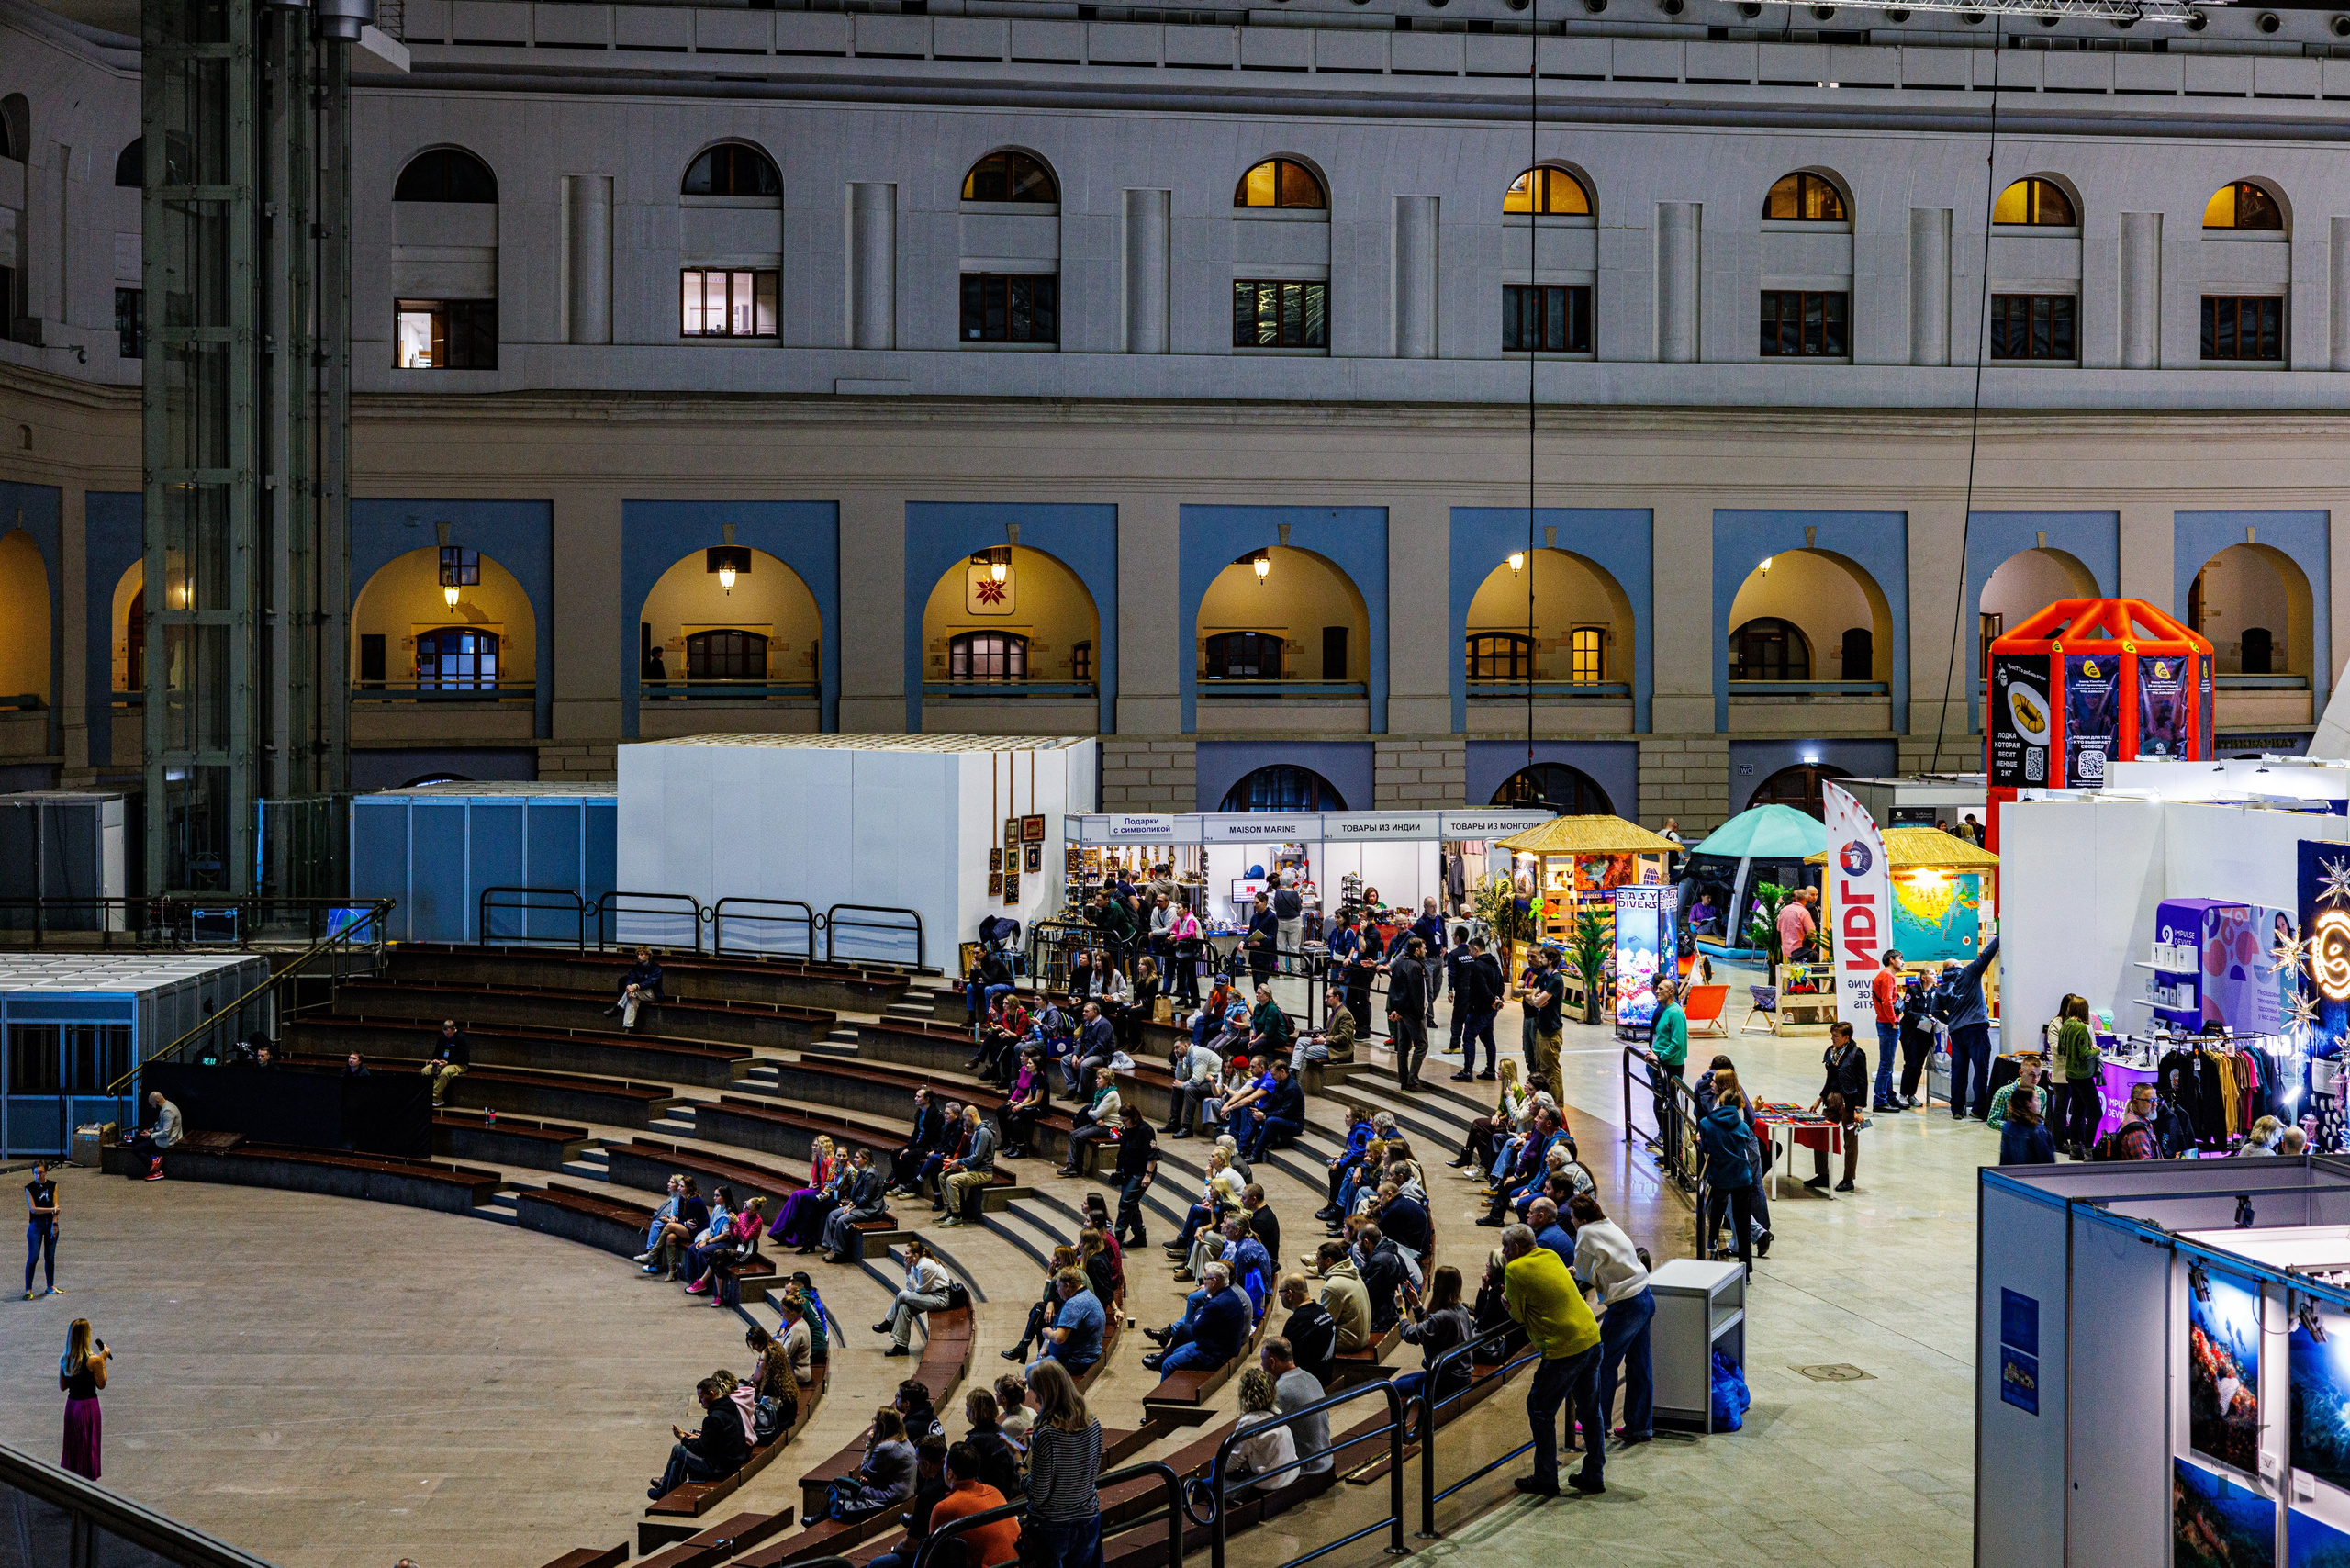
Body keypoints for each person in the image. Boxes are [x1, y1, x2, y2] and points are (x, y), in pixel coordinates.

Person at [1502, 1223, 1605, 1497]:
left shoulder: (1514, 1269)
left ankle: (1546, 1477)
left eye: (1505, 1247)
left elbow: (1517, 1315)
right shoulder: (1551, 1255)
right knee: (1590, 1411)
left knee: (1540, 1409)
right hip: (1590, 1337)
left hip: (1563, 1348)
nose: (1503, 1253)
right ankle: (1594, 1474)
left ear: (1517, 1248)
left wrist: (1506, 1300)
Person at [1569, 1193, 1654, 1447]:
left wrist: (1574, 1272)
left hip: (1625, 1305)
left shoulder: (1585, 1233)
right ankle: (1640, 1426)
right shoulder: (1607, 1223)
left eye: (1573, 1218)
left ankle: (1597, 1421)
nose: (1571, 1222)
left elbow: (1584, 1274)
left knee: (1602, 1363)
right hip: (1644, 1295)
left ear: (1582, 1220)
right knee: (1639, 1366)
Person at [1023, 1361, 1104, 1568]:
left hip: (1052, 1527)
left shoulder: (1047, 1434)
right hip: (1088, 1519)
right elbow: (1091, 1473)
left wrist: (1021, 1469)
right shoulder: (1093, 1423)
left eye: (1036, 1392)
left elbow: (1039, 1495)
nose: (1035, 1398)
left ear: (1046, 1392)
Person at [922, 1442, 1021, 1568]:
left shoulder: (944, 1507)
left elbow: (931, 1558)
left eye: (945, 1464)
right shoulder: (994, 1491)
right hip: (1019, 1563)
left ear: (950, 1473)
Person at [650, 1375, 751, 1499]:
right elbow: (718, 1439)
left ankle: (663, 1489)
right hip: (732, 1461)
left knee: (678, 1449)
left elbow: (701, 1450)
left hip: (720, 1467)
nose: (699, 1402)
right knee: (678, 1462)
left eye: (701, 1397)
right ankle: (667, 1493)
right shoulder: (730, 1406)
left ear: (711, 1394)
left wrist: (683, 1438)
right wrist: (699, 1437)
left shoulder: (714, 1418)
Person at [1141, 1260, 1251, 1372]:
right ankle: (1166, 1350)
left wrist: (1201, 1316)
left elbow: (1196, 1330)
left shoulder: (1218, 1301)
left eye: (1206, 1279)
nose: (1203, 1281)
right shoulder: (1229, 1293)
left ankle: (1163, 1361)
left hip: (1218, 1352)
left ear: (1214, 1281)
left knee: (1169, 1362)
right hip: (1225, 1343)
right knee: (1178, 1346)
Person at [1393, 1264, 1475, 1415]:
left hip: (1446, 1381)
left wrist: (1401, 1309)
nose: (1432, 1285)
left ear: (1439, 1288)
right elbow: (1432, 1326)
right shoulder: (1460, 1310)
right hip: (1461, 1375)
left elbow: (1410, 1334)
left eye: (1435, 1283)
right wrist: (1416, 1305)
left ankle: (1400, 1423)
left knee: (1394, 1388)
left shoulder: (1442, 1317)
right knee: (1400, 1381)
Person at [1942, 935, 2003, 1122]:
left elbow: (1935, 1010)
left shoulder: (1942, 988)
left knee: (1959, 1071)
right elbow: (1986, 955)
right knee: (1980, 1069)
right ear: (1956, 966)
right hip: (1976, 1029)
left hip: (1956, 1033)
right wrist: (2001, 936)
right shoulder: (1969, 972)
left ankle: (1957, 1109)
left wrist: (1952, 1020)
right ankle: (1978, 1107)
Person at [1697, 1086, 1759, 1274]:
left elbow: (1705, 1148)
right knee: (1742, 1224)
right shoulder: (1743, 1127)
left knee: (1716, 1210)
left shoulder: (1706, 1123)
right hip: (1742, 1178)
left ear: (1720, 1102)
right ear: (1739, 1106)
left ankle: (1712, 1241)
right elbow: (1744, 1144)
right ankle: (1746, 1269)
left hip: (1719, 1176)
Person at [1807, 1021, 1866, 1193]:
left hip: (1849, 1104)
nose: (1832, 1039)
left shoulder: (1857, 1054)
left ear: (1846, 1038)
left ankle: (1848, 1179)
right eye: (1832, 1035)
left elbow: (1862, 1083)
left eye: (1836, 1036)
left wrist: (1858, 1109)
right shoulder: (1830, 1053)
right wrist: (1820, 1098)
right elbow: (1829, 1079)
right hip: (1831, 1100)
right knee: (1820, 1133)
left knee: (1850, 1142)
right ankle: (1822, 1174)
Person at [832, 1408, 917, 1518]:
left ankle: (822, 1518)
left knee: (838, 1483)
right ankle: (820, 1517)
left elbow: (864, 1472)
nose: (873, 1422)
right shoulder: (905, 1442)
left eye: (875, 1419)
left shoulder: (886, 1447)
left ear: (882, 1425)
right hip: (904, 1493)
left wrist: (870, 1445)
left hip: (888, 1497)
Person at [1226, 1368, 1300, 1495]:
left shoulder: (1250, 1422)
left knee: (1206, 1481)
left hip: (1269, 1483)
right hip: (1290, 1474)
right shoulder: (1277, 1413)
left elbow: (1231, 1462)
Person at [878, 1238, 955, 1356]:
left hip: (941, 1298)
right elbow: (912, 1290)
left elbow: (920, 1290)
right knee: (904, 1308)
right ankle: (901, 1346)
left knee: (902, 1295)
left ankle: (889, 1322)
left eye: (907, 1253)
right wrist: (907, 1271)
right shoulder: (915, 1265)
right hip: (930, 1295)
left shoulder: (925, 1265)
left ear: (916, 1255)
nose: (904, 1255)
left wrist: (912, 1288)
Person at [2049, 994, 2101, 1159]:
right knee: (2095, 1112)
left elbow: (2061, 1049)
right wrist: (2097, 1051)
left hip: (2070, 1074)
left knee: (2077, 1111)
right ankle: (2088, 1149)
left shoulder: (2066, 1026)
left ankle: (2074, 1149)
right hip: (2082, 1075)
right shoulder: (2082, 1028)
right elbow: (2085, 1053)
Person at [59, 1317, 107, 1481]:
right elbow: (101, 1383)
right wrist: (103, 1359)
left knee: (72, 1445)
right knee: (88, 1443)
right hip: (88, 1406)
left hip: (72, 1406)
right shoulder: (94, 1360)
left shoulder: (65, 1359)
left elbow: (62, 1386)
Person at [822, 1148, 890, 1263]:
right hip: (859, 1205)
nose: (854, 1159)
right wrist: (851, 1205)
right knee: (832, 1215)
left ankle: (838, 1252)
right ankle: (830, 1246)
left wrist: (853, 1207)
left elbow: (866, 1199)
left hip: (871, 1209)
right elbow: (856, 1194)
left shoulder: (870, 1174)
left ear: (866, 1159)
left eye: (858, 1157)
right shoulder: (861, 1171)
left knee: (841, 1220)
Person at [1038, 1268, 1106, 1379]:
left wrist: (1047, 1332)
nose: (1057, 1291)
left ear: (1067, 1286)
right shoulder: (1088, 1295)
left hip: (1075, 1362)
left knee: (1031, 1371)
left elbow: (1059, 1338)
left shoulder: (1073, 1304)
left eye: (1058, 1287)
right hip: (1089, 1355)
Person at [1106, 1105, 1158, 1249]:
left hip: (1141, 1172)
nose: (1123, 1123)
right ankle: (1139, 1236)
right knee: (1131, 1203)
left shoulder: (1145, 1130)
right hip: (1128, 1171)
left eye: (1125, 1120)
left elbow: (1152, 1155)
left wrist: (1147, 1176)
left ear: (1134, 1117)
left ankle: (1117, 1239)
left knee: (1125, 1203)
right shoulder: (1127, 1128)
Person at [940, 1107, 1000, 1226]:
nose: (965, 1123)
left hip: (982, 1173)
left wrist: (959, 1162)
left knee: (952, 1180)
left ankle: (956, 1217)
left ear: (971, 1116)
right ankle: (950, 1210)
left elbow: (977, 1157)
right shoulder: (978, 1131)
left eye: (965, 1119)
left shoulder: (983, 1132)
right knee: (943, 1176)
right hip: (973, 1169)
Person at [964, 1386, 1025, 1499]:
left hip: (992, 1495)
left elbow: (968, 1475)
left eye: (968, 1407)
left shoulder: (975, 1441)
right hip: (1008, 1489)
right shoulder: (1000, 1429)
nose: (966, 1412)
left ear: (975, 1412)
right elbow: (1021, 1448)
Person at [1520, 947, 1566, 1100]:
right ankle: (1542, 1099)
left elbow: (1537, 1000)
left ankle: (1556, 1103)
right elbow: (1533, 996)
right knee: (1540, 1067)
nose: (1540, 960)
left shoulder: (1556, 980)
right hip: (1541, 1029)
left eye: (1543, 957)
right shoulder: (1545, 977)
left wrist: (1536, 1000)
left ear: (1551, 960)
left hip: (1551, 1031)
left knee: (1551, 1070)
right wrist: (1536, 1000)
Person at [1387, 936, 1432, 1091]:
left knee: (1403, 1046)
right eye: (1424, 948)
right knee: (1422, 1045)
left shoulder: (1400, 964)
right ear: (1417, 950)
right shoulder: (1415, 966)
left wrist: (1396, 1009)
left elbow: (1394, 989)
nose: (1426, 951)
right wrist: (1419, 1013)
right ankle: (1412, 1080)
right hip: (1413, 1012)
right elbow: (1416, 992)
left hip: (1402, 1011)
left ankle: (1404, 1078)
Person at [1649, 978, 1689, 1148]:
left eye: (1661, 989)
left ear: (1671, 992)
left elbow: (1677, 1043)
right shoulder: (1666, 1010)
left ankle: (1674, 1142)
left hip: (1671, 1066)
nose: (1657, 991)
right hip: (1662, 1064)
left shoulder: (1675, 1013)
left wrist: (1660, 1057)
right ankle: (1668, 1139)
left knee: (1667, 1103)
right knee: (1662, 1102)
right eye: (1657, 988)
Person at [1314, 1240, 1373, 1353]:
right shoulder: (1352, 1273)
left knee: (1304, 1338)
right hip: (1362, 1336)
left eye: (1318, 1259)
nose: (1316, 1262)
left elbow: (1324, 1323)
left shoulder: (1333, 1286)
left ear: (1328, 1261)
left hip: (1349, 1342)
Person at [1242, 1058, 1305, 1160]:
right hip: (1283, 1118)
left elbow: (1285, 1112)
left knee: (1270, 1121)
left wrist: (1264, 1116)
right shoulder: (1278, 1083)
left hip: (1295, 1124)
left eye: (1274, 1074)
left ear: (1282, 1072)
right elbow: (1271, 1102)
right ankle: (1243, 1149)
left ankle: (1256, 1155)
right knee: (1253, 1112)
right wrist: (1260, 1110)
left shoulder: (1292, 1088)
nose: (1272, 1077)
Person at [890, 1088, 949, 1193]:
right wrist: (909, 1147)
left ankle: (911, 1188)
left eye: (918, 1096)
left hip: (928, 1147)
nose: (915, 1098)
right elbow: (915, 1133)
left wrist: (911, 1148)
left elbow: (930, 1137)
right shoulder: (920, 1113)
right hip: (918, 1144)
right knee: (894, 1153)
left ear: (927, 1099)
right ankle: (901, 1184)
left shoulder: (936, 1115)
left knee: (906, 1156)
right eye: (916, 1096)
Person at [1870, 949, 1907, 1114]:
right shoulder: (1887, 976)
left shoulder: (1885, 975)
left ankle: (1889, 1096)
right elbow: (1887, 1002)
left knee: (1888, 1063)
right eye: (1900, 958)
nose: (1903, 962)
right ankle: (1880, 1100)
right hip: (1888, 1024)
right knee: (1886, 1063)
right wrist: (1894, 1021)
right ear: (1892, 960)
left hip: (1885, 1022)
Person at [123, 1090, 183, 1181]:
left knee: (136, 1149)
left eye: (152, 1104)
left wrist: (151, 1136)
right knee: (140, 1140)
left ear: (157, 1101)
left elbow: (166, 1132)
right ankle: (135, 1142)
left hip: (168, 1140)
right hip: (165, 1137)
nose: (152, 1106)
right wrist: (150, 1131)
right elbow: (160, 1126)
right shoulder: (166, 1106)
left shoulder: (168, 1111)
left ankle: (156, 1171)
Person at [25, 1160, 59, 1300]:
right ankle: (28, 1289)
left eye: (41, 1173)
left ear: (46, 1172)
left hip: (50, 1224)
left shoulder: (53, 1185)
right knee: (33, 1257)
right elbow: (33, 1209)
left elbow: (56, 1205)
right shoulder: (29, 1188)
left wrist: (55, 1224)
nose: (38, 1176)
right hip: (36, 1226)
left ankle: (50, 1286)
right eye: (36, 1173)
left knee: (50, 1257)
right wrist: (52, 1210)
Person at [610, 946, 665, 1030]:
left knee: (635, 992)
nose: (639, 956)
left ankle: (618, 1007)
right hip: (638, 992)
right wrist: (629, 987)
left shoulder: (655, 967)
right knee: (633, 998)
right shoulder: (637, 966)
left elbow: (651, 982)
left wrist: (636, 986)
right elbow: (630, 978)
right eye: (638, 955)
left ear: (648, 956)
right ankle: (628, 1027)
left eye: (642, 954)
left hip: (653, 994)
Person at [420, 1019, 471, 1107]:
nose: (447, 1036)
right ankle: (427, 1094)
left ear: (454, 1029)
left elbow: (463, 1056)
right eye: (446, 1033)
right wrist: (435, 1060)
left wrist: (448, 1062)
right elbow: (436, 1052)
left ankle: (434, 1098)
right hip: (442, 1062)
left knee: (445, 1073)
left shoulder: (462, 1038)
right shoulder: (442, 1037)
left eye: (449, 1034)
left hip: (458, 1064)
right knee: (425, 1071)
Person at [2000, 1087, 2057, 1165]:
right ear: (2028, 1103)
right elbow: (2047, 1162)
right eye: (2036, 1099)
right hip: (2033, 1172)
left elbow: (2004, 1160)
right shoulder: (2038, 1130)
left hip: (2011, 1172)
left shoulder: (2007, 1126)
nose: (2040, 1102)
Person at [2106, 1081, 2162, 1160]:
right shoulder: (2138, 1131)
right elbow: (2145, 1165)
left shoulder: (2139, 1120)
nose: (2155, 1104)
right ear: (2136, 1102)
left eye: (2156, 1100)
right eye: (2151, 1100)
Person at [1986, 1060, 2042, 1130]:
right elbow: (1992, 1120)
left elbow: (2041, 1120)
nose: (2036, 1079)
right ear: (2021, 1073)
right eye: (2031, 1074)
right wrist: (2015, 1128)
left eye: (2039, 1075)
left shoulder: (2041, 1093)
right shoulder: (2004, 1092)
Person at [1246, 891, 1281, 986]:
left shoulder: (1272, 917)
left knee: (1262, 984)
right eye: (1253, 903)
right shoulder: (1254, 917)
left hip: (1265, 957)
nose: (1254, 905)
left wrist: (1260, 943)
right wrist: (1243, 942)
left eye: (1257, 903)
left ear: (1264, 902)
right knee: (1256, 984)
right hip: (1255, 957)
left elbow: (1272, 937)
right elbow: (1249, 933)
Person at [1272, 873, 1305, 972]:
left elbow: (1276, 906)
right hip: (1294, 922)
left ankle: (1282, 971)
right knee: (1294, 948)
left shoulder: (1278, 892)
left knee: (1281, 948)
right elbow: (1299, 908)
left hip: (1280, 922)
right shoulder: (1295, 894)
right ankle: (1296, 971)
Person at [1776, 887, 1819, 963]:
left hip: (1786, 949)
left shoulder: (1784, 910)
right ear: (1806, 899)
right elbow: (1812, 932)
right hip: (1800, 951)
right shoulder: (1803, 912)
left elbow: (1779, 928)